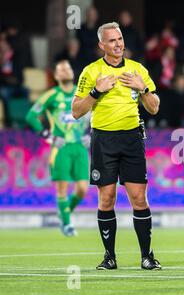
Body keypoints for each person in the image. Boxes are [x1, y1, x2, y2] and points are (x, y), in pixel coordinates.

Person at [71, 22, 161, 271]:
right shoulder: (91, 72)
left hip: (132, 139)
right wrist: (96, 92)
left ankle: (147, 256)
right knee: (107, 198)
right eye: (112, 41)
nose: (118, 44)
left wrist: (141, 87)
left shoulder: (137, 69)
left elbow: (154, 107)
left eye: (120, 39)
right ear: (102, 45)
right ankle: (109, 257)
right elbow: (77, 111)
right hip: (104, 141)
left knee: (139, 198)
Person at [26, 60, 89, 236]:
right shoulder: (51, 95)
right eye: (61, 70)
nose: (65, 71)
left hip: (79, 147)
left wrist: (90, 134)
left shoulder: (83, 92)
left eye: (68, 68)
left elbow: (96, 112)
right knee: (62, 188)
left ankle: (64, 212)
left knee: (82, 189)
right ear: (56, 76)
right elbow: (31, 116)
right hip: (60, 148)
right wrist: (48, 136)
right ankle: (68, 225)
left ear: (72, 72)